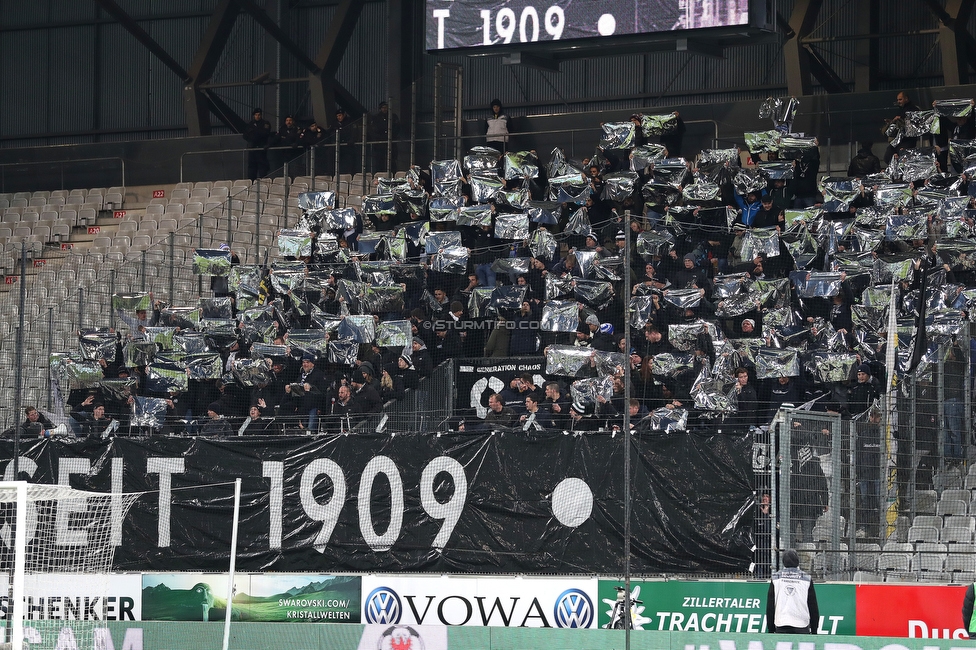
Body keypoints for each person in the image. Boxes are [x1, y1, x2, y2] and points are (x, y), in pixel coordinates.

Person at [766, 549, 819, 634]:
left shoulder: (776, 578)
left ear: (783, 562)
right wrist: (814, 630)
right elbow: (813, 606)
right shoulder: (807, 579)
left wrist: (771, 629)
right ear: (797, 561)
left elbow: (770, 606)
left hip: (781, 624)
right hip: (802, 625)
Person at [368, 101, 399, 173]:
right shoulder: (376, 118)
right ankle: (380, 175)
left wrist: (393, 136)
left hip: (391, 142)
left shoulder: (393, 116)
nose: (385, 109)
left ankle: (393, 174)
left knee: (392, 160)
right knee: (380, 161)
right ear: (380, 108)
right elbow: (373, 130)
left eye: (386, 107)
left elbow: (397, 128)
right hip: (380, 143)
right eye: (383, 108)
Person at [242, 108, 272, 180]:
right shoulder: (250, 124)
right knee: (252, 169)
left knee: (263, 169)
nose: (257, 116)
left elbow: (265, 133)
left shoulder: (265, 123)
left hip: (261, 149)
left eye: (259, 115)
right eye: (256, 115)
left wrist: (254, 134)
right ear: (254, 116)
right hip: (253, 149)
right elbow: (245, 135)